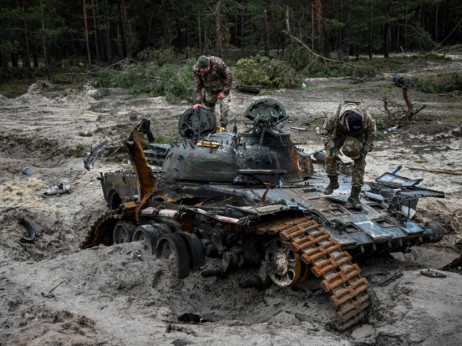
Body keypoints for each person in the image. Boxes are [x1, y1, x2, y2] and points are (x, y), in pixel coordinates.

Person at [321, 101, 376, 208]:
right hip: (340, 133)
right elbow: (325, 132)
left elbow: (371, 135)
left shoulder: (367, 119)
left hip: (359, 136)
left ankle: (354, 196)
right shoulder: (335, 117)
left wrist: (364, 151)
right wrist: (332, 148)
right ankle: (333, 182)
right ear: (346, 121)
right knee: (329, 155)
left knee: (360, 162)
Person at [193, 55, 233, 128]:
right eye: (203, 68)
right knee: (209, 110)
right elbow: (197, 86)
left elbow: (229, 76)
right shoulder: (196, 69)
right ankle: (212, 127)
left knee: (225, 107)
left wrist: (225, 92)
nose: (205, 70)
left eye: (206, 68)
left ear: (209, 64)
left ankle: (223, 127)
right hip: (209, 90)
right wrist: (197, 102)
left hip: (222, 88)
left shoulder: (217, 63)